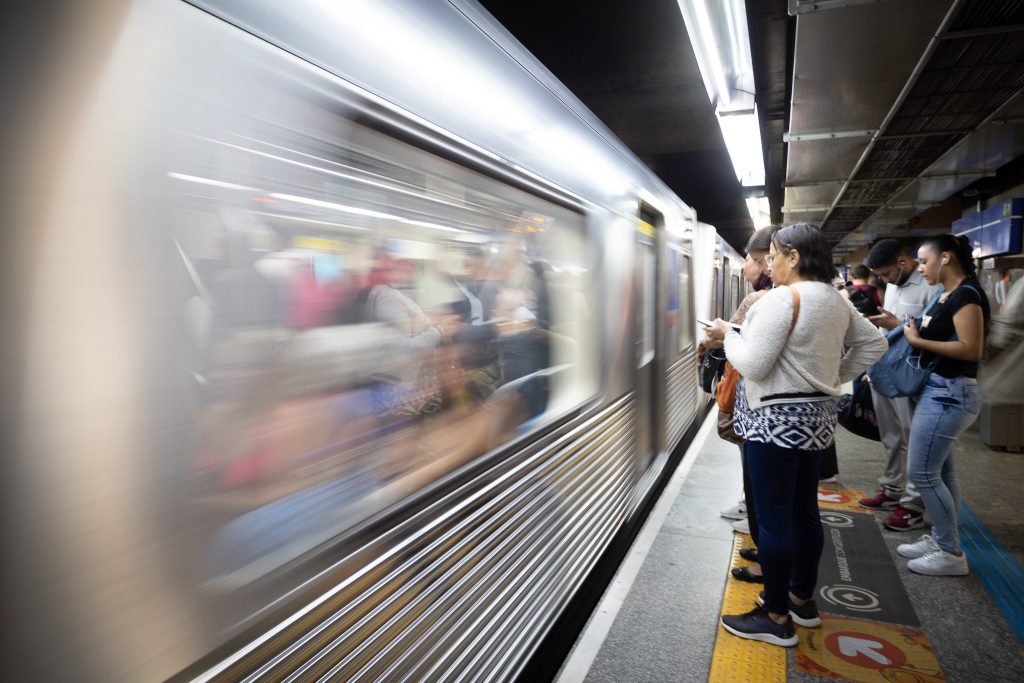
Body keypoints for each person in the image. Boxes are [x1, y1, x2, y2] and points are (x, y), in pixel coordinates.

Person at [707, 223, 886, 647]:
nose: (768, 263)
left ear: (793, 256)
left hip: (774, 420)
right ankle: (802, 600)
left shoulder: (781, 299)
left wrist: (726, 334)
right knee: (805, 511)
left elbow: (753, 363)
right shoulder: (834, 300)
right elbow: (875, 344)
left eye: (772, 255)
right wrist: (829, 380)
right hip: (817, 420)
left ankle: (774, 614)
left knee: (772, 520)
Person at [896, 235, 989, 576]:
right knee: (942, 472)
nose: (921, 269)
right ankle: (942, 538)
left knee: (922, 472)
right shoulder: (944, 295)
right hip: (941, 390)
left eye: (924, 261)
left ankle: (950, 552)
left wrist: (919, 340)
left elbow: (971, 348)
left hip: (951, 393)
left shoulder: (966, 295)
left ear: (946, 258)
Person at [703, 226, 778, 584]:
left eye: (754, 259)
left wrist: (724, 337)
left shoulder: (764, 301)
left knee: (769, 498)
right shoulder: (804, 297)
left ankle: (776, 590)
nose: (753, 266)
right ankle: (767, 555)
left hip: (767, 414)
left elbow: (750, 357)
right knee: (774, 498)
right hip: (776, 415)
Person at [860, 239, 941, 531]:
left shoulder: (930, 286)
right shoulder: (893, 285)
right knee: (890, 434)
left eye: (886, 274)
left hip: (910, 375)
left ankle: (912, 503)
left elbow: (931, 331)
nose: (884, 280)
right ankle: (892, 488)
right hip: (884, 368)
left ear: (903, 262)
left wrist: (896, 323)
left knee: (913, 437)